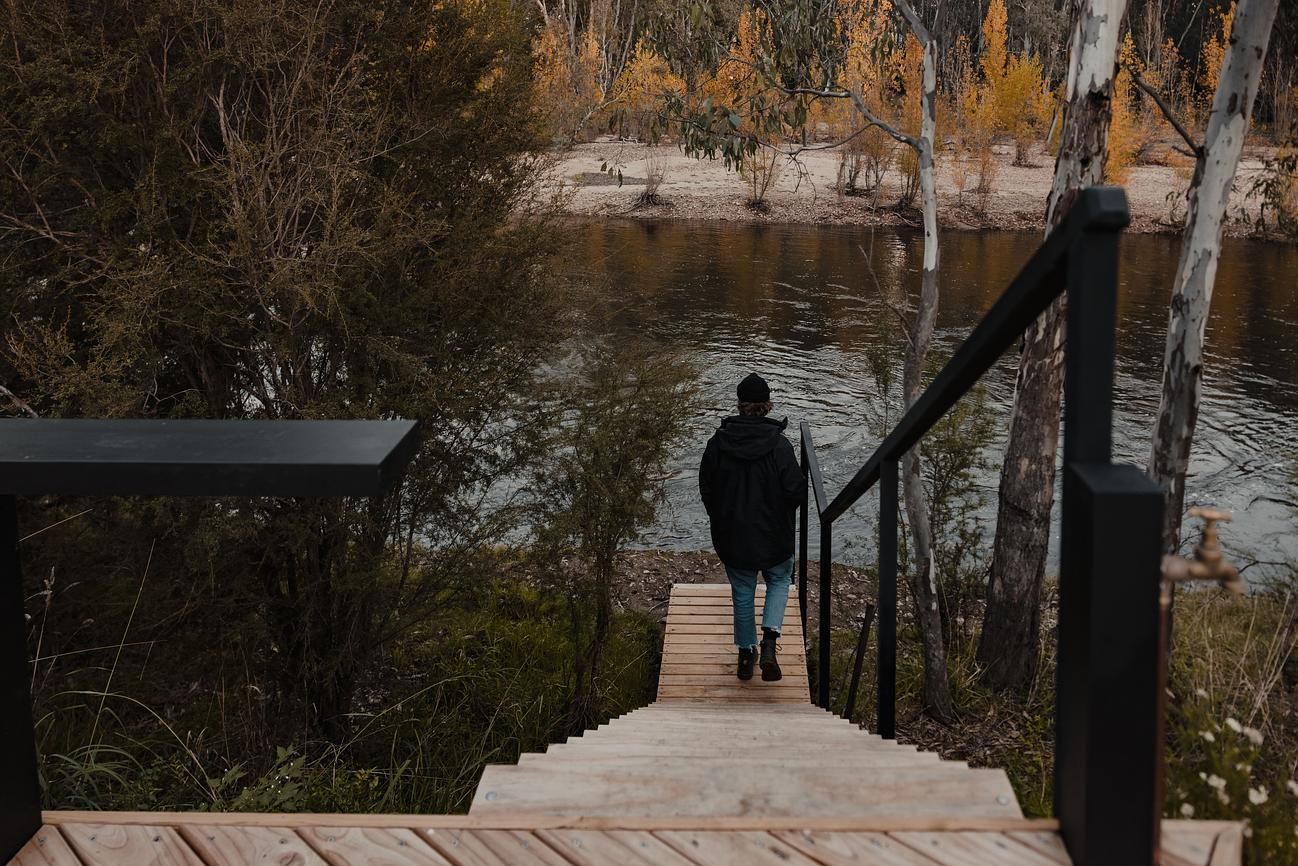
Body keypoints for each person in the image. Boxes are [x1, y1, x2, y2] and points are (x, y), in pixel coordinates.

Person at [698, 373, 802, 682]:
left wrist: (720, 518)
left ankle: (746, 656)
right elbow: (795, 491)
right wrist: (782, 514)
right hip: (774, 536)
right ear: (768, 406)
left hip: (734, 536)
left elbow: (707, 488)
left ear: (740, 405)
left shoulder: (718, 444)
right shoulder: (780, 447)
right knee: (780, 580)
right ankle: (770, 641)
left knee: (742, 591)